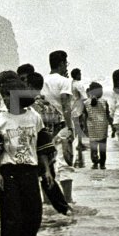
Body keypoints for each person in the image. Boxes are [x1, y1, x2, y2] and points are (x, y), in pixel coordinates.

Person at [0, 75, 47, 236]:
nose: (4, 99)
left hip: (30, 169)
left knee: (34, 212)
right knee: (11, 216)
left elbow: (42, 147)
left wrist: (46, 170)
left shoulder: (35, 117)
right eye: (3, 95)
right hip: (9, 170)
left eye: (8, 95)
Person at [41, 50, 75, 204]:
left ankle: (48, 201)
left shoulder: (42, 80)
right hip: (60, 125)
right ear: (62, 64)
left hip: (44, 127)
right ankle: (67, 199)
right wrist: (70, 128)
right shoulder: (64, 81)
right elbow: (66, 105)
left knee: (47, 164)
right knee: (64, 163)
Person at [84, 82, 112, 169]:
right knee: (102, 147)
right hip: (103, 128)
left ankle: (95, 162)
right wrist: (113, 126)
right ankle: (102, 164)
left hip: (92, 128)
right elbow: (108, 115)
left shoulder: (86, 103)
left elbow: (85, 117)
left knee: (93, 147)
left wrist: (85, 128)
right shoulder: (104, 102)